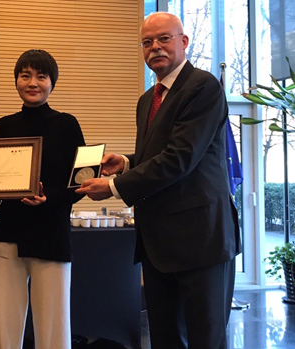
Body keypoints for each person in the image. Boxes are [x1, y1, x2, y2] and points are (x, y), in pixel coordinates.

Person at [76, 12, 241, 349]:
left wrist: (112, 187)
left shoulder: (203, 86)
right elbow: (158, 157)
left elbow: (180, 158)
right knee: (165, 339)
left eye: (164, 39)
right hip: (158, 245)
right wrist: (124, 162)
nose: (155, 48)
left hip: (201, 241)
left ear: (183, 42)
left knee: (204, 340)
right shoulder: (146, 100)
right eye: (147, 42)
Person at [0, 49, 85, 349]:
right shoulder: (4, 126)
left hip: (51, 233)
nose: (32, 82)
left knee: (54, 325)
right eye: (25, 76)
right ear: (16, 81)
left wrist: (48, 198)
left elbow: (82, 184)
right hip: (8, 233)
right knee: (1, 325)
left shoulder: (67, 124)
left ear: (52, 83)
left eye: (41, 76)